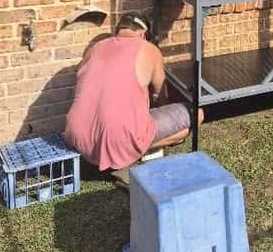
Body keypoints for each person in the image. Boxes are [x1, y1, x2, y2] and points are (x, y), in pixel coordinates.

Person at [64, 12, 203, 172]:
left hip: (77, 136)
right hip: (118, 139)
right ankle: (136, 148)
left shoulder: (94, 48)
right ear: (143, 34)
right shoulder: (149, 49)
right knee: (197, 114)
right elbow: (160, 95)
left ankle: (123, 145)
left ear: (118, 30)